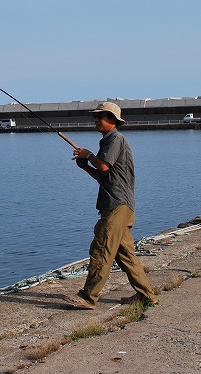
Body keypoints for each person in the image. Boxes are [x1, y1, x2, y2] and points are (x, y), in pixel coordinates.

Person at [63, 101, 157, 309]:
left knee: (101, 248)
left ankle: (88, 297)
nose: (96, 120)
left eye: (101, 117)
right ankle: (147, 296)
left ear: (113, 120)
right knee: (126, 256)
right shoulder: (107, 142)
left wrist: (88, 154)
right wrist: (85, 166)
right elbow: (104, 175)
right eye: (95, 117)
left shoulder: (115, 139)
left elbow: (104, 165)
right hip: (120, 205)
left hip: (117, 206)